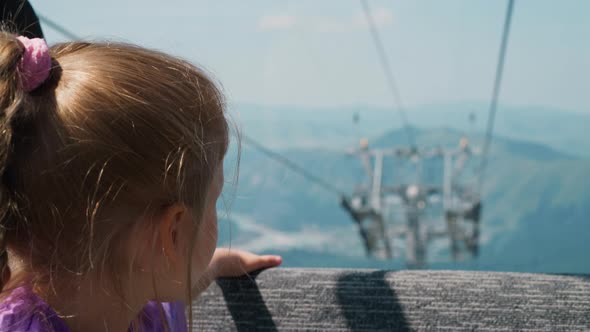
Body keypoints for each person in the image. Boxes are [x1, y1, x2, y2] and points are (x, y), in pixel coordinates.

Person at [0, 30, 282, 332]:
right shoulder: (147, 315)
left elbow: (163, 267)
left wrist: (215, 264)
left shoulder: (134, 300)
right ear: (172, 232)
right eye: (213, 201)